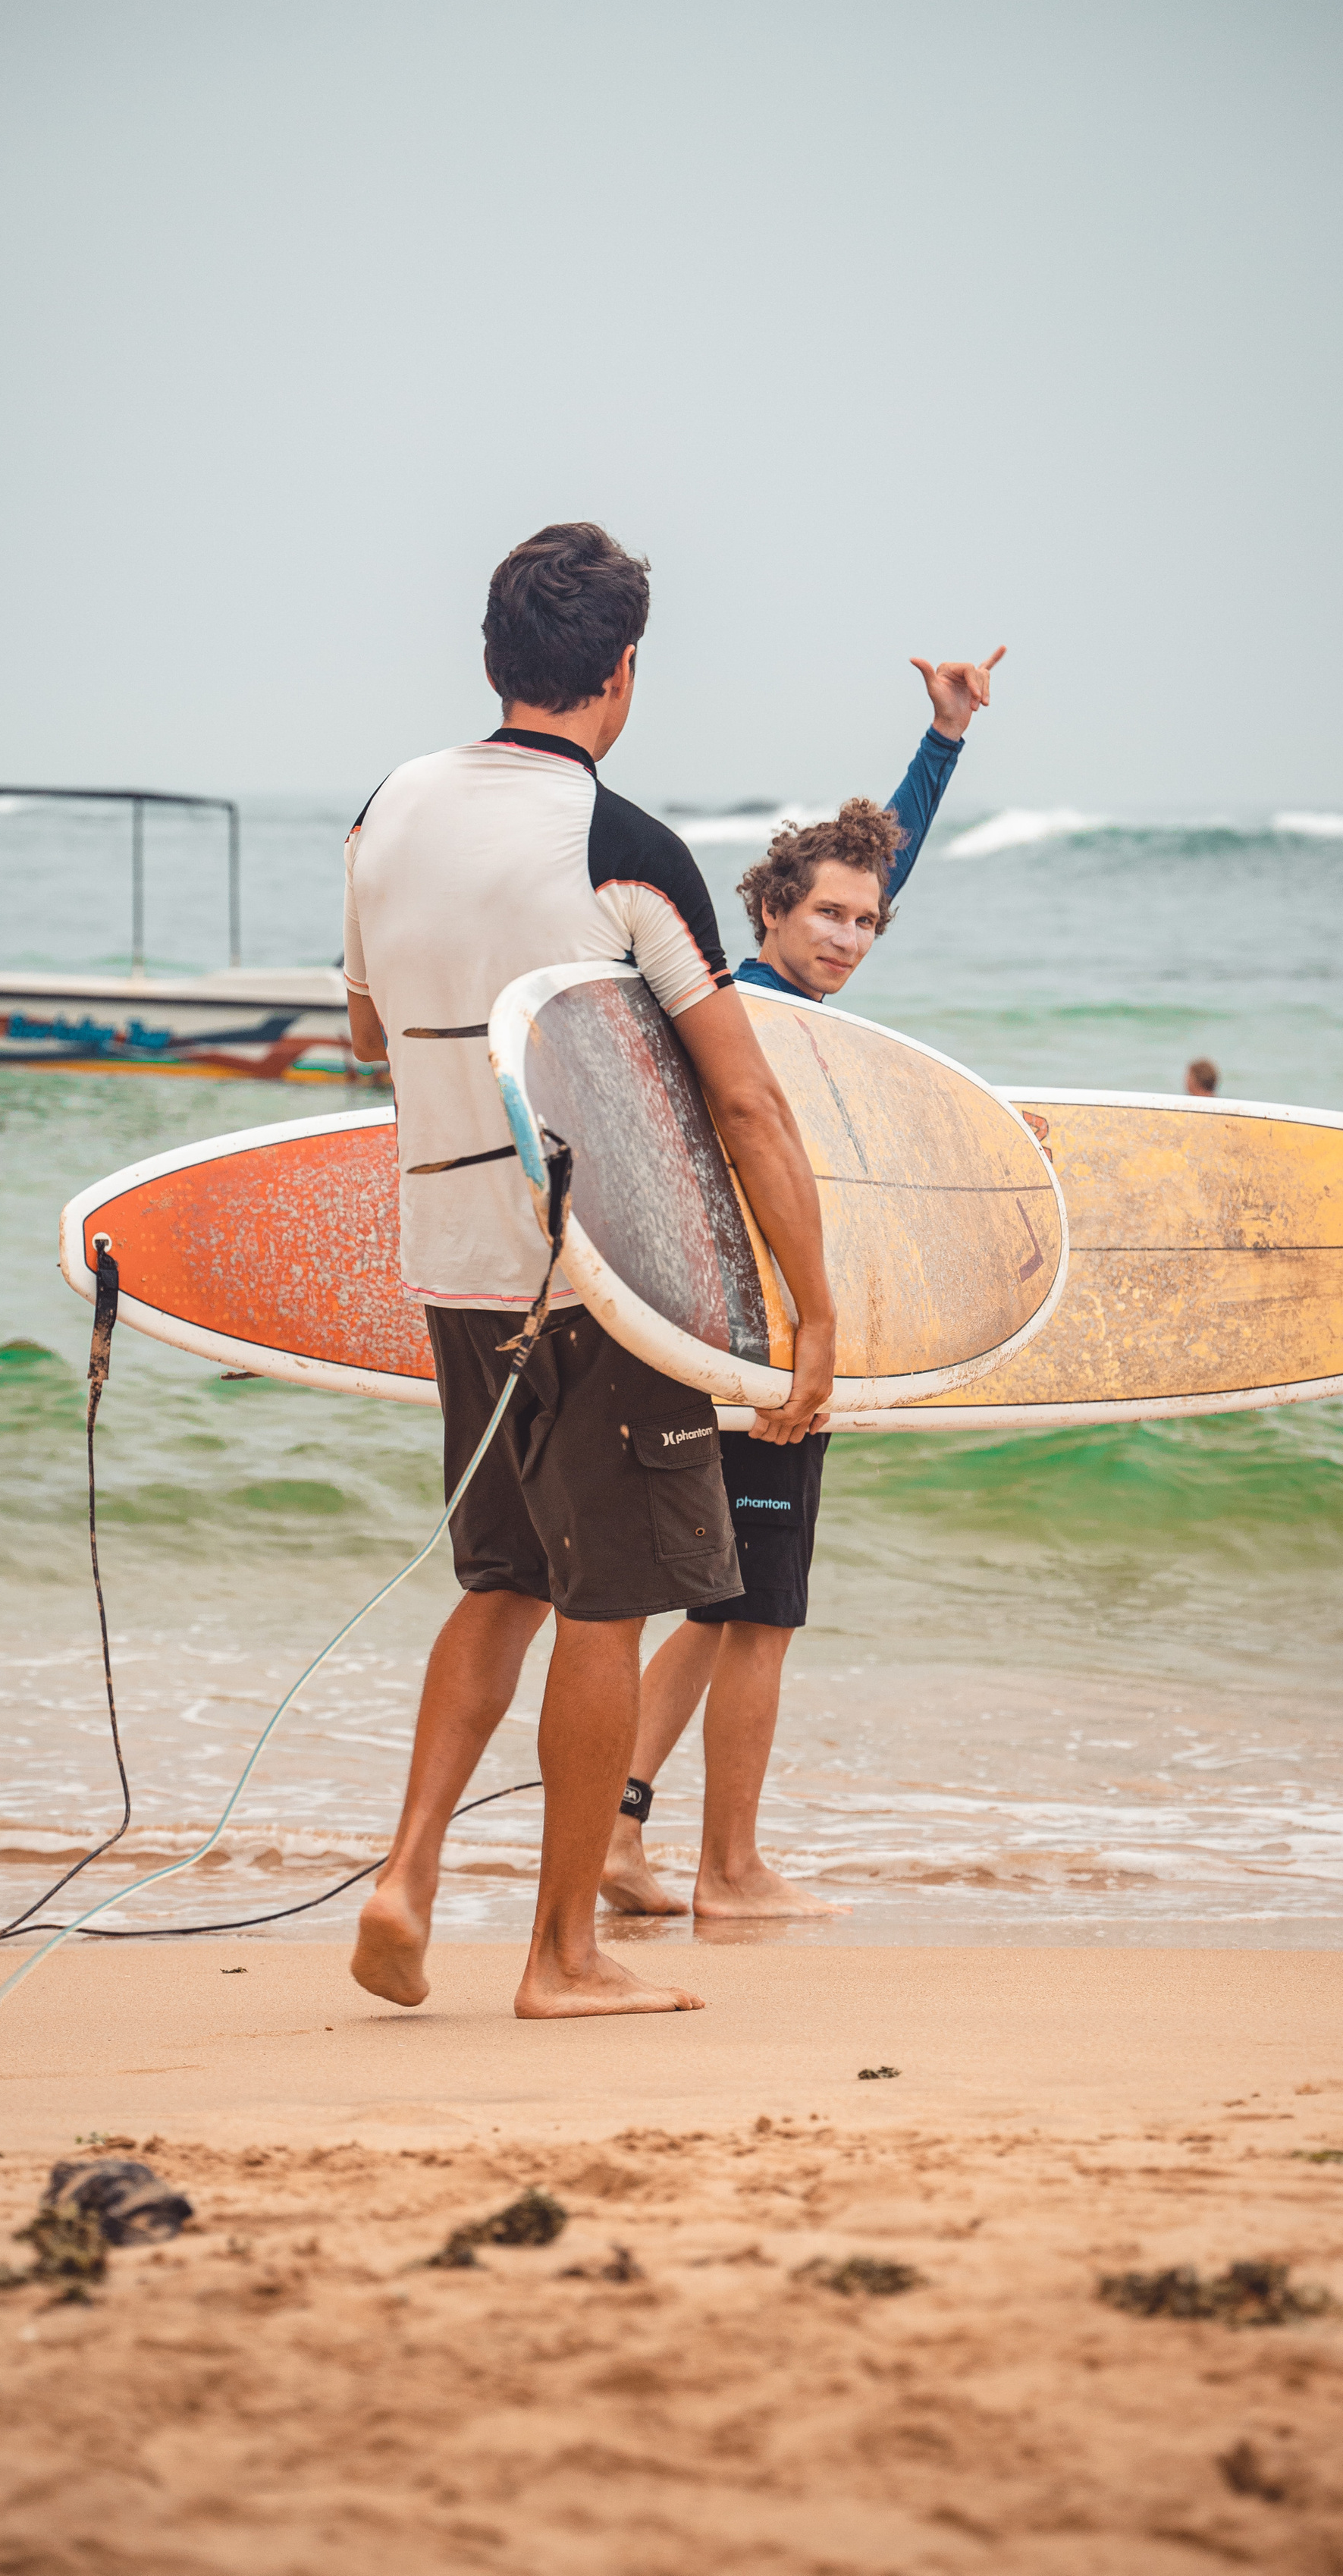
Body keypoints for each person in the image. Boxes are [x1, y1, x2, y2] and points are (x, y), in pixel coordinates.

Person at [340, 522, 837, 2020]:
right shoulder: (623, 849)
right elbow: (741, 1098)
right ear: (621, 672)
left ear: (493, 658)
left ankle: (406, 1875)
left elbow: (369, 1034)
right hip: (599, 1283)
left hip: (453, 1265)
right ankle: (561, 1958)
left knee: (497, 1580)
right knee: (604, 1602)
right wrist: (810, 1313)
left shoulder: (386, 812)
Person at [600, 649, 1004, 1921]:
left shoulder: (777, 1020)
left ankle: (618, 1830)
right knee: (762, 1616)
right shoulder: (754, 1013)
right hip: (767, 1354)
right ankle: (731, 1873)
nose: (850, 936)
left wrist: (941, 744)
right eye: (826, 914)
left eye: (867, 922)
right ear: (768, 913)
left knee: (721, 1610)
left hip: (714, 1342)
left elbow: (888, 865)